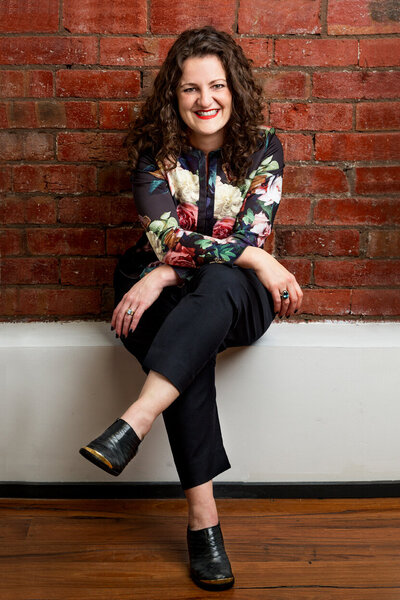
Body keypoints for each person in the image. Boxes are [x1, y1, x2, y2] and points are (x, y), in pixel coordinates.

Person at [79, 26, 303, 591]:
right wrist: (243, 257)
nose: (206, 101)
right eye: (189, 89)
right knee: (189, 348)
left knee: (223, 284)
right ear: (172, 96)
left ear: (236, 89)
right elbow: (166, 236)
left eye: (217, 86)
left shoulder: (265, 149)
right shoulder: (154, 154)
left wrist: (179, 266)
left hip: (238, 298)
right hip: (150, 290)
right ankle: (204, 524)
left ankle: (137, 419)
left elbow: (243, 235)